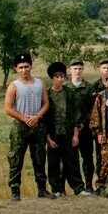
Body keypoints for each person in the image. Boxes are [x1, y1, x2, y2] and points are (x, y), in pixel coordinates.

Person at [4, 53, 50, 201]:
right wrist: (25, 119)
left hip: (37, 125)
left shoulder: (40, 83)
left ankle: (42, 189)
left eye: (26, 67)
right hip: (20, 127)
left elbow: (46, 103)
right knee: (16, 159)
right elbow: (8, 108)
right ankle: (15, 191)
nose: (24, 70)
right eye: (21, 68)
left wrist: (37, 116)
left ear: (31, 66)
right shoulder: (14, 86)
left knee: (39, 158)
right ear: (16, 69)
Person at [44, 61, 88, 197]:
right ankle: (57, 189)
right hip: (53, 135)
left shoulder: (70, 93)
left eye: (62, 76)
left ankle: (79, 189)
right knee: (54, 164)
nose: (60, 79)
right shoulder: (47, 95)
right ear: (52, 78)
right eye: (57, 76)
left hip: (69, 134)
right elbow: (44, 119)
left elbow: (76, 115)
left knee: (73, 162)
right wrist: (48, 138)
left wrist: (76, 135)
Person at [68, 59, 96, 192]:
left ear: (83, 70)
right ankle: (78, 187)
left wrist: (85, 124)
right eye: (75, 69)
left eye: (80, 69)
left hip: (85, 129)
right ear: (70, 70)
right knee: (72, 160)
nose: (77, 71)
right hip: (70, 128)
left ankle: (89, 185)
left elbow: (93, 109)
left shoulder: (89, 87)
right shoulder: (66, 87)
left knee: (88, 158)